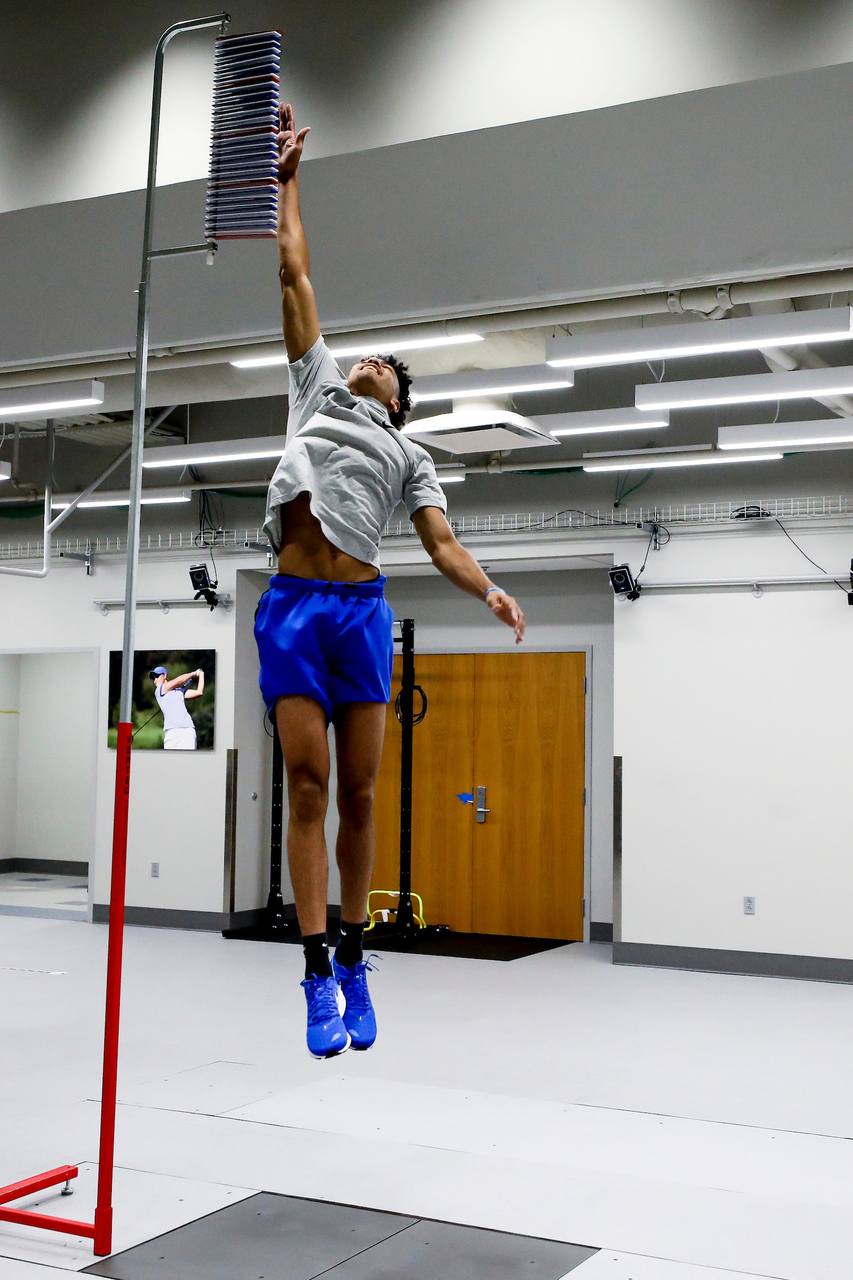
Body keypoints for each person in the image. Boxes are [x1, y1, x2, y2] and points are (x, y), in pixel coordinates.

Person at [255, 103, 526, 1061]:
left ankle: (357, 953)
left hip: (361, 615)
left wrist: (487, 590)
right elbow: (294, 274)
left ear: (400, 402)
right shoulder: (316, 391)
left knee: (362, 796)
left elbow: (441, 544)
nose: (371, 362)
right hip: (293, 608)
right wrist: (288, 179)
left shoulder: (410, 456)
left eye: (386, 369)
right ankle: (315, 971)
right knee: (307, 785)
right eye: (366, 358)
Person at [150, 666, 204, 750]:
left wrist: (201, 674)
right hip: (171, 732)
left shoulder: (179, 691)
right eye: (154, 678)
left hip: (187, 731)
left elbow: (199, 692)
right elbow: (179, 681)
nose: (155, 680)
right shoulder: (159, 690)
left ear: (164, 675)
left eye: (157, 676)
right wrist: (194, 673)